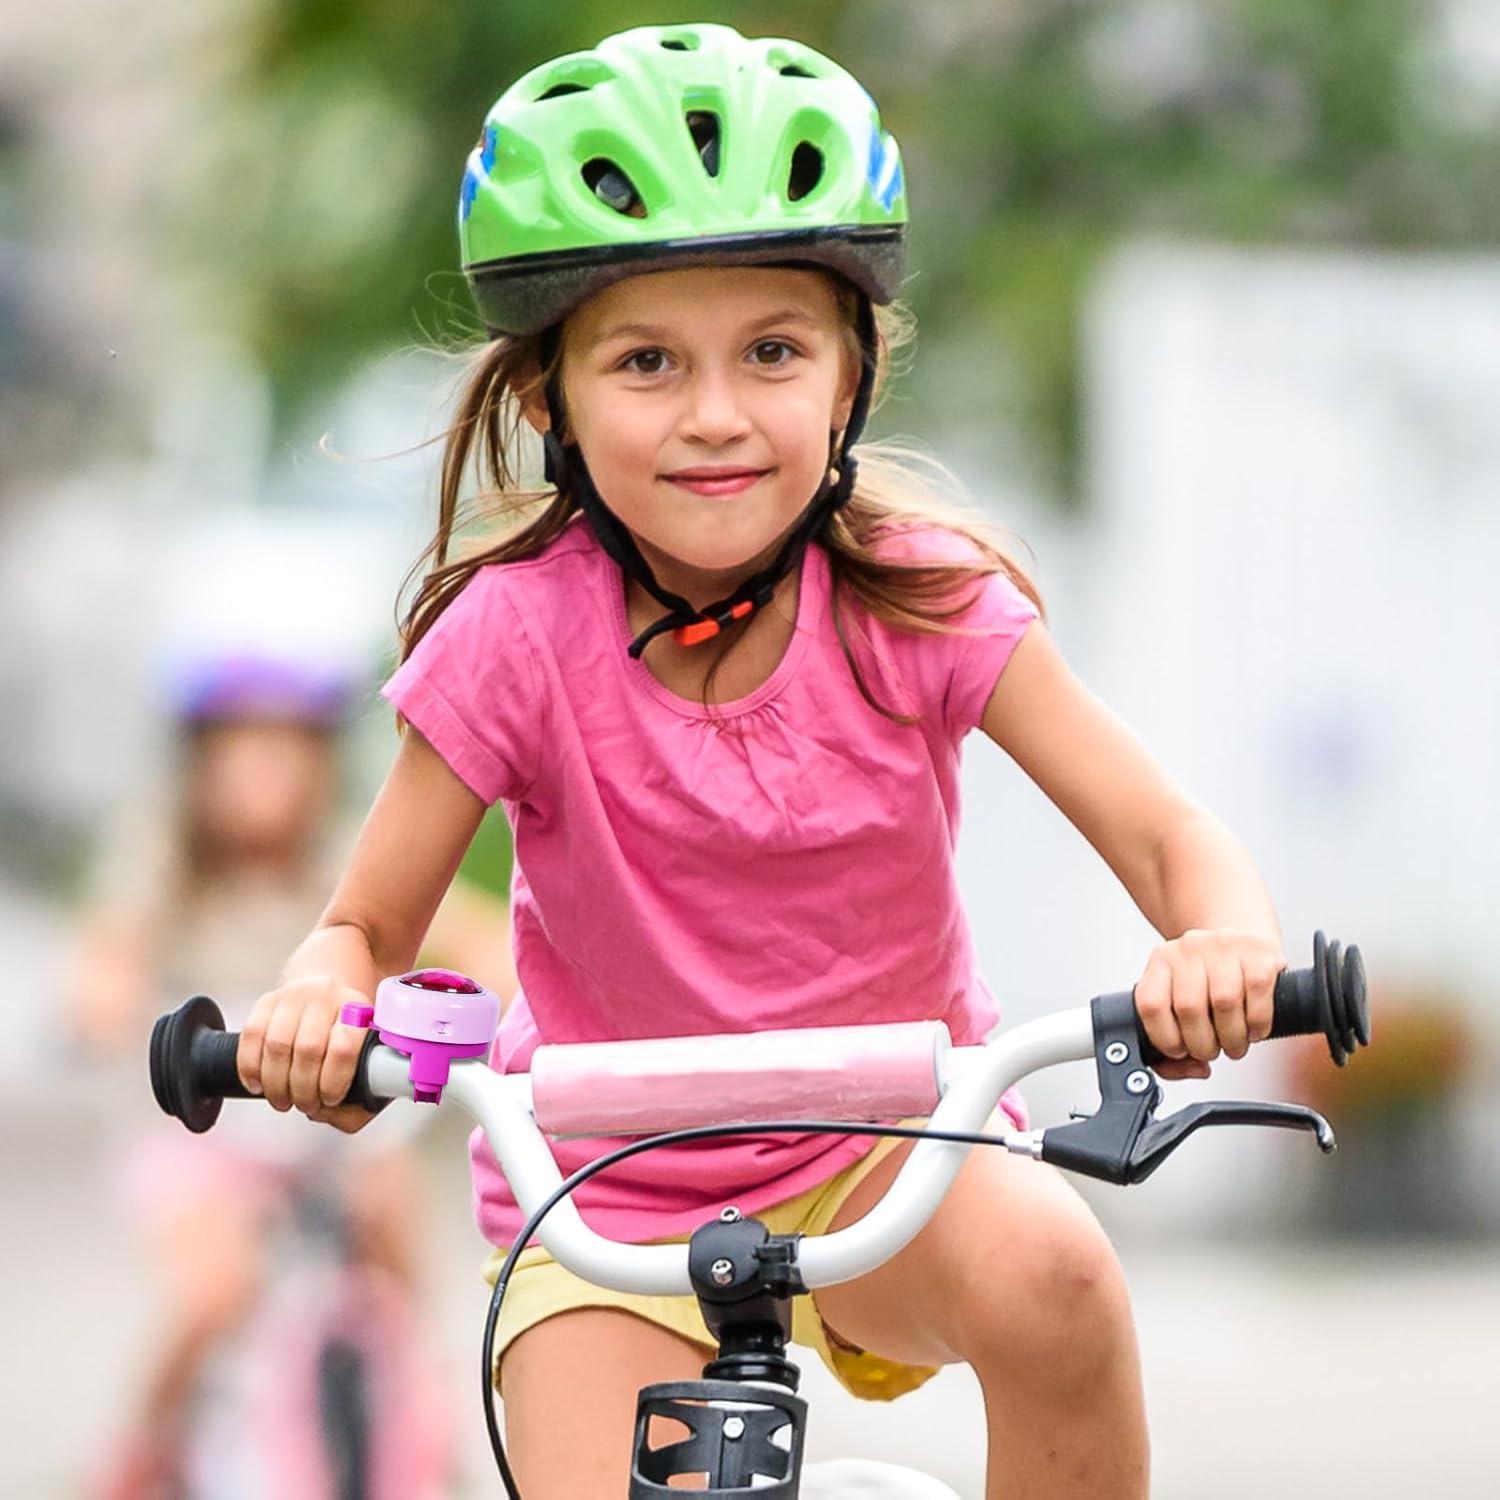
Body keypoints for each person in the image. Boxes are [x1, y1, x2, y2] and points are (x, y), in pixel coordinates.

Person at [235, 24, 1287, 1500]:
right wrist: (316, 1012)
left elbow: (1175, 836)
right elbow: (361, 930)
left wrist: (1222, 946)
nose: (717, 415)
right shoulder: (511, 641)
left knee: (1061, 1290)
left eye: (773, 352)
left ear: (852, 374)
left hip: (894, 1150)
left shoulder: (919, 604)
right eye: (647, 361)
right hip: (607, 1194)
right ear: (551, 402)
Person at [71, 648, 512, 1499]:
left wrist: (503, 995)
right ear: (200, 766)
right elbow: (106, 962)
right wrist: (109, 1002)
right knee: (215, 1288)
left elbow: (477, 937)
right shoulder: (163, 857)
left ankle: (423, 1431)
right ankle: (138, 1456)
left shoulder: (342, 860)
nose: (263, 773)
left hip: (328, 1127)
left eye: (285, 750)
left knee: (394, 1245)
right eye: (240, 751)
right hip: (203, 1129)